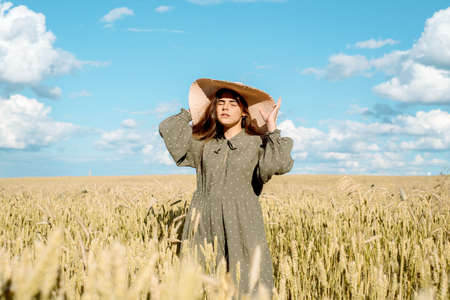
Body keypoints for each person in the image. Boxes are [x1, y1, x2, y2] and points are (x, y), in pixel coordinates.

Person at [159, 78, 294, 298]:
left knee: (247, 282)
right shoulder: (203, 143)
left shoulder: (257, 143)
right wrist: (193, 113)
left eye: (233, 104)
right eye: (220, 103)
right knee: (201, 281)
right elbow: (168, 129)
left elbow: (277, 165)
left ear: (244, 112)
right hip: (202, 218)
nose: (225, 107)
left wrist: (271, 128)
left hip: (242, 220)